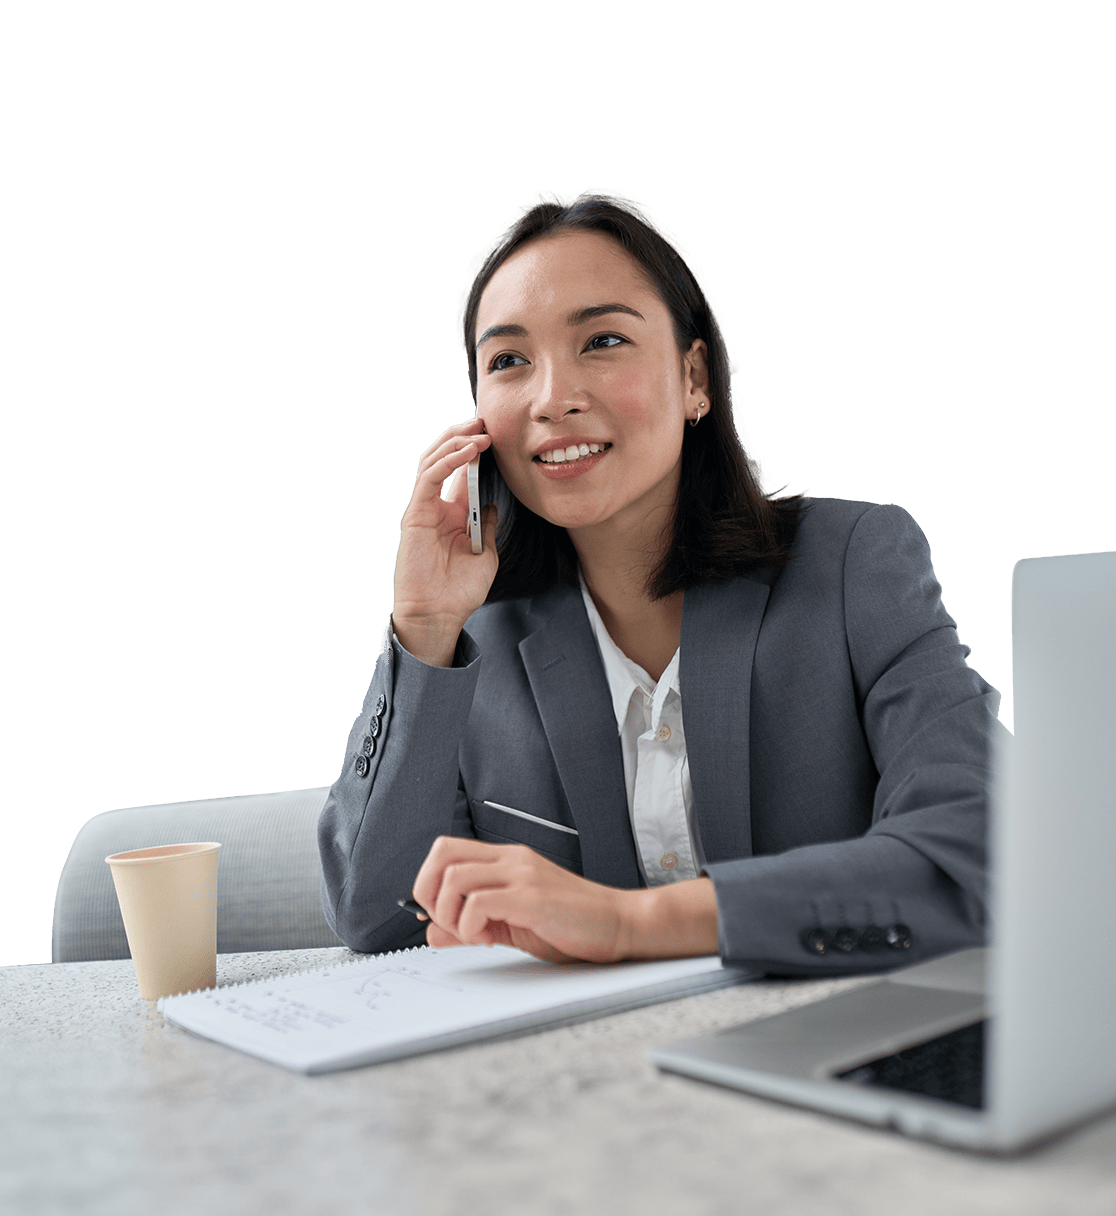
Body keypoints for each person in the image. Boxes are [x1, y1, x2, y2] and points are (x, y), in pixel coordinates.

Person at [317, 187, 994, 974]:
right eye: (507, 361)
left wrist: (629, 923)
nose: (552, 398)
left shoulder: (853, 565)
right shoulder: (473, 641)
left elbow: (975, 852)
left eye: (601, 341)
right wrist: (423, 628)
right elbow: (373, 916)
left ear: (695, 376)